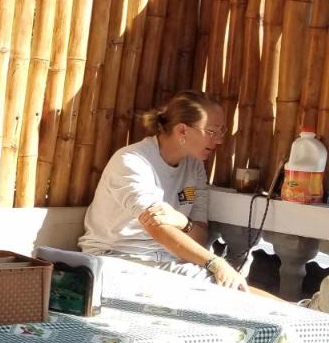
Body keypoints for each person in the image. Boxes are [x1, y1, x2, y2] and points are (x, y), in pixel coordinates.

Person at [79, 90, 249, 290]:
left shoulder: (194, 167)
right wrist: (215, 263)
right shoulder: (131, 161)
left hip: (168, 261)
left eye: (222, 131)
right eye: (212, 132)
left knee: (234, 288)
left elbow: (200, 236)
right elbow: (156, 227)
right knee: (230, 288)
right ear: (182, 131)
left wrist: (183, 222)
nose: (219, 140)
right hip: (117, 259)